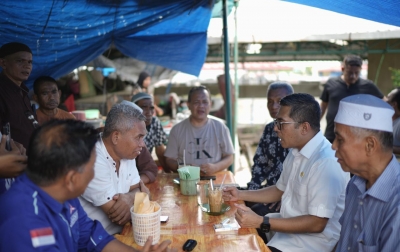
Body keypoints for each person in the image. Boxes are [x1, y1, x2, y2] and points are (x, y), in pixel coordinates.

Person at [0, 120, 175, 252]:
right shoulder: (25, 221)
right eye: (92, 167)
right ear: (71, 178)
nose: (94, 174)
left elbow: (92, 236)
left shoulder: (65, 196)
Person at [223, 93, 349, 252]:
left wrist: (261, 221)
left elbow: (317, 223)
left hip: (311, 244)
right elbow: (278, 190)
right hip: (286, 232)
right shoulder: (296, 150)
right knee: (232, 234)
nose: (275, 128)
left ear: (304, 127)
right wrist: (239, 194)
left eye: (281, 123)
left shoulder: (325, 162)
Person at [332, 94, 400, 251]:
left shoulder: (397, 203)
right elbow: (345, 242)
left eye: (340, 140)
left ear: (370, 145)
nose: (333, 146)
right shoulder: (355, 184)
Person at [79, 103, 150, 235]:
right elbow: (118, 217)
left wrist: (130, 197)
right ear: (116, 137)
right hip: (94, 242)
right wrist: (141, 195)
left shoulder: (126, 153)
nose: (142, 144)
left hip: (122, 234)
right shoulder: (92, 159)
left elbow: (138, 188)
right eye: (138, 137)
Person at [246, 81, 293, 243]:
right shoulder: (269, 129)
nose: (274, 106)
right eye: (269, 101)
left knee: (256, 213)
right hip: (270, 192)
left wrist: (284, 197)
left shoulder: (299, 132)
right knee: (241, 206)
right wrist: (251, 192)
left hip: (289, 197)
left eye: (279, 101)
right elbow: (260, 165)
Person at [164, 85, 234, 174]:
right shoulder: (177, 130)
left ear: (210, 104)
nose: (201, 106)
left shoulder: (221, 128)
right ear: (188, 105)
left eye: (205, 102)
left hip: (215, 180)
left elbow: (230, 157)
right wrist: (184, 168)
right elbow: (169, 159)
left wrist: (215, 167)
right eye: (196, 102)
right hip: (186, 179)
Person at [320, 55, 384, 143]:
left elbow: (384, 103)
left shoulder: (368, 86)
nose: (353, 76)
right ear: (343, 69)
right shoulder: (331, 84)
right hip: (331, 134)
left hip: (356, 138)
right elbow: (323, 105)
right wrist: (315, 123)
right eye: (350, 72)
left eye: (357, 73)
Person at [0, 42, 38, 149]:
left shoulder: (24, 92)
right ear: (3, 63)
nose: (27, 66)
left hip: (29, 158)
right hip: (9, 161)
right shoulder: (2, 91)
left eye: (30, 62)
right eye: (20, 61)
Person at [132, 92, 168, 171]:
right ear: (133, 109)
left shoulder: (154, 123)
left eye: (151, 108)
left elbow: (160, 152)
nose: (149, 112)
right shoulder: (126, 125)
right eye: (144, 107)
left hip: (144, 170)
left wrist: (167, 173)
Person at [387, 88, 400, 155]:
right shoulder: (386, 118)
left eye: (388, 97)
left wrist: (385, 147)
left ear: (394, 104)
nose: (385, 100)